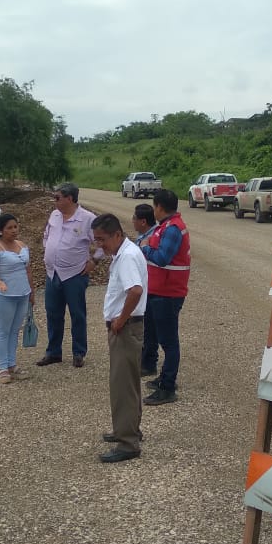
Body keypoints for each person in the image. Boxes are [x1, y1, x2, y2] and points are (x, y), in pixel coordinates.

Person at [91, 212, 148, 463]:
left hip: (125, 329)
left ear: (117, 234)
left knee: (122, 386)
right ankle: (128, 429)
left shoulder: (126, 257)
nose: (99, 245)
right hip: (126, 327)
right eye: (96, 240)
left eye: (102, 239)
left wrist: (120, 320)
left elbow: (135, 290)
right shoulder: (124, 252)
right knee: (128, 382)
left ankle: (128, 443)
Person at [38, 183, 101, 368]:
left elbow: (102, 242)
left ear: (70, 198)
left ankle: (79, 352)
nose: (54, 201)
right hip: (52, 273)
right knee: (53, 314)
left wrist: (94, 261)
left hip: (74, 275)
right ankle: (53, 352)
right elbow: (46, 235)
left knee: (77, 314)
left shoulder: (88, 219)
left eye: (57, 197)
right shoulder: (54, 215)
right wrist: (49, 249)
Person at [139, 189, 190, 405]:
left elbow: (162, 258)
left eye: (154, 206)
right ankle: (160, 375)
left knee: (169, 342)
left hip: (168, 293)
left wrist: (144, 249)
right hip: (158, 290)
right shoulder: (166, 226)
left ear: (159, 207)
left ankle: (168, 387)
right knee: (154, 334)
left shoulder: (173, 229)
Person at [0, 213, 35, 384]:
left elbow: (28, 270)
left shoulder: (22, 246)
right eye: (9, 228)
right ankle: (3, 368)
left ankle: (12, 364)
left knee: (15, 330)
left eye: (15, 227)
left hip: (23, 293)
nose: (13, 231)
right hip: (5, 295)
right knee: (4, 330)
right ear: (0, 231)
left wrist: (32, 291)